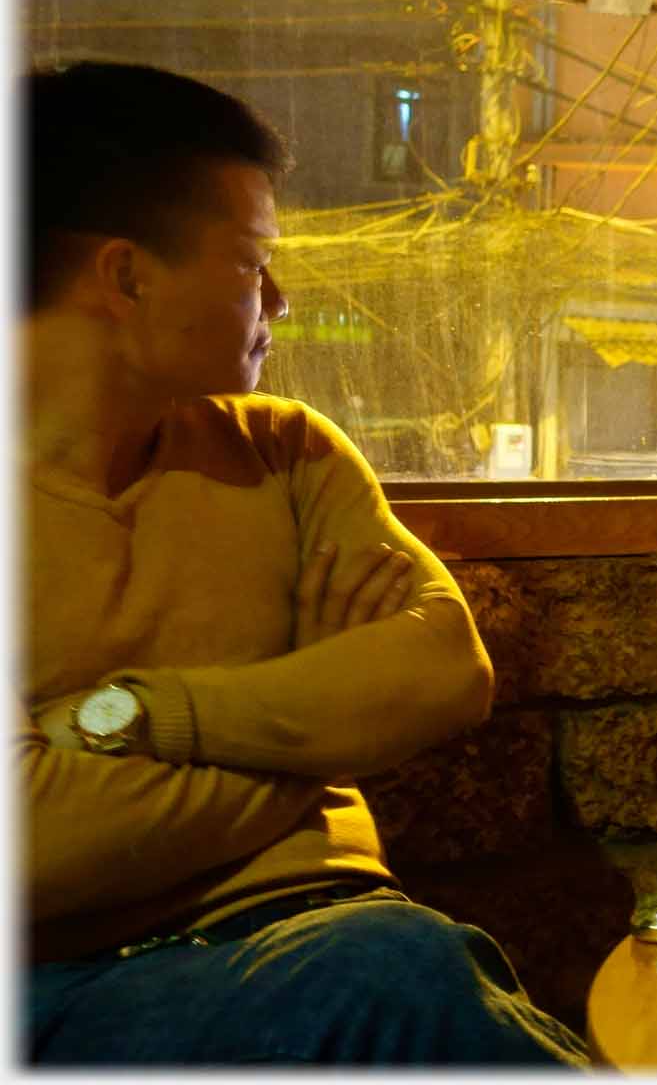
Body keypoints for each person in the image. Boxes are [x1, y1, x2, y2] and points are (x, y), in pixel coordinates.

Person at [22, 61, 589, 1065]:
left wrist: (144, 718)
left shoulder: (284, 449)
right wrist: (320, 726)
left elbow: (446, 671)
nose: (276, 299)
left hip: (334, 916)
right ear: (126, 275)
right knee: (398, 973)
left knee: (397, 966)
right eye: (249, 263)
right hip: (67, 985)